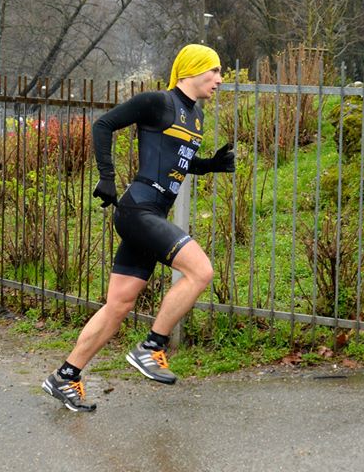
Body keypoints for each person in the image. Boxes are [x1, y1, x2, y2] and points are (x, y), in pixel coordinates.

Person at [42, 43, 234, 412]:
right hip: (139, 209)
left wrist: (208, 165)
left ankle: (66, 376)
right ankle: (152, 347)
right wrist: (107, 177)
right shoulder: (157, 101)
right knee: (200, 271)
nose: (220, 80)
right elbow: (104, 124)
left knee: (118, 306)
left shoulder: (195, 116)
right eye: (214, 71)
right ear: (193, 70)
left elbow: (176, 159)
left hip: (153, 214)